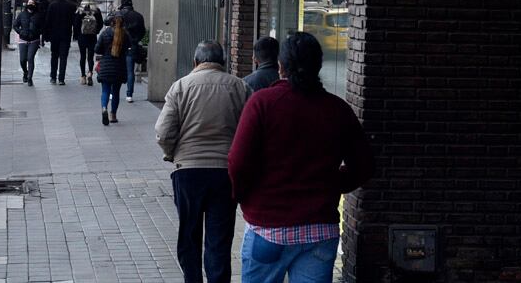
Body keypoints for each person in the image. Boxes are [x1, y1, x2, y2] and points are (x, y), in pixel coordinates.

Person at [228, 32, 374, 283]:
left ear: (281, 67)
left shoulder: (263, 103)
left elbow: (238, 162)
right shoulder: (337, 109)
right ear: (319, 65)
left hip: (268, 226)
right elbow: (364, 165)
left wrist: (245, 197)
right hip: (319, 229)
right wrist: (333, 184)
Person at [155, 41, 251, 283]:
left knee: (189, 234)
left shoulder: (180, 87)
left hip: (188, 172)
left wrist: (173, 154)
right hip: (225, 173)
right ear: (223, 63)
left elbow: (164, 132)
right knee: (219, 238)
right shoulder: (240, 87)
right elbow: (251, 132)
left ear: (195, 62)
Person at [94, 14, 127, 125]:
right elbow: (129, 46)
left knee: (105, 90)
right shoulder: (124, 34)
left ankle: (104, 108)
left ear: (111, 22)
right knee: (116, 92)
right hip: (119, 67)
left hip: (106, 67)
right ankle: (113, 115)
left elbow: (97, 49)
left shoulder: (105, 33)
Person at [116, 0, 146, 102]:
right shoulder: (139, 16)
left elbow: (107, 22)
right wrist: (136, 40)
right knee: (130, 71)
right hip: (132, 46)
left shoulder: (119, 14)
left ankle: (113, 93)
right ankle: (129, 95)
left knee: (116, 69)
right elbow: (143, 31)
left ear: (122, 4)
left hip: (119, 46)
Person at [45, 0, 76, 85]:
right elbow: (74, 22)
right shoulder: (71, 6)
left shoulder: (52, 5)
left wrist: (46, 35)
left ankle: (53, 77)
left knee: (54, 55)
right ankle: (61, 78)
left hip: (54, 36)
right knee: (63, 57)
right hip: (66, 35)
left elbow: (48, 21)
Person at [12, 0, 44, 86]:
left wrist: (38, 32)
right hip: (23, 40)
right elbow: (15, 25)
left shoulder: (39, 15)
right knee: (22, 60)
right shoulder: (22, 14)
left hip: (34, 40)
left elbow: (43, 27)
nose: (30, 4)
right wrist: (20, 32)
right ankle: (25, 72)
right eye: (29, 2)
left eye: (32, 3)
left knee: (30, 58)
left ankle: (30, 78)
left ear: (35, 5)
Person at [73, 0, 104, 85]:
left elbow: (75, 24)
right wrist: (96, 31)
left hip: (82, 37)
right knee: (90, 57)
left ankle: (83, 76)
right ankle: (90, 73)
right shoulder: (96, 11)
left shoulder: (80, 10)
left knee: (82, 56)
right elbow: (101, 23)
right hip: (92, 37)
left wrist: (77, 35)